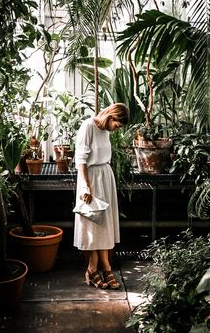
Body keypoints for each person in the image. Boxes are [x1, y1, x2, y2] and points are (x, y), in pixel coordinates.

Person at [73, 103, 129, 289]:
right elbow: (80, 160)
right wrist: (86, 187)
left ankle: (103, 268)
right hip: (91, 179)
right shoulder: (88, 126)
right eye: (117, 125)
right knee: (92, 225)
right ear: (111, 116)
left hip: (105, 177)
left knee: (104, 225)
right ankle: (95, 269)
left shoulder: (105, 130)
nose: (116, 129)